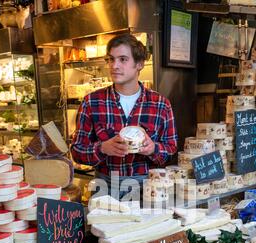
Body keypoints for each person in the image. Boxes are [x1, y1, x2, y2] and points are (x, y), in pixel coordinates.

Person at [71, 33, 178, 199]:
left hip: (148, 189)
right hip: (106, 188)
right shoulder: (91, 102)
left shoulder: (160, 104)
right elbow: (77, 150)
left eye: (123, 59)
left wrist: (153, 149)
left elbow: (171, 149)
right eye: (111, 59)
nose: (115, 66)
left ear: (140, 64)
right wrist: (102, 148)